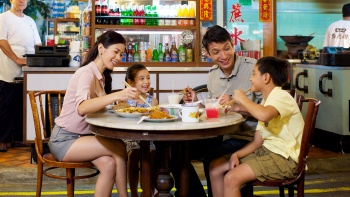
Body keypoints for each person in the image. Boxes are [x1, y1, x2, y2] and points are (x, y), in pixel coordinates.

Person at [48, 31, 138, 197]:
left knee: (110, 164)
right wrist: (117, 95)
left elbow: (98, 108)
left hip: (82, 138)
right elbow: (82, 108)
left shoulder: (101, 76)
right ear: (101, 48)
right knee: (119, 146)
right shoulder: (86, 73)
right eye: (116, 52)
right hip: (64, 140)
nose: (118, 58)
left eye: (121, 54)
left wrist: (116, 104)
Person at [175, 25, 259, 197]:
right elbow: (214, 110)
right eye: (216, 52)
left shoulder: (253, 68)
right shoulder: (212, 74)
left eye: (226, 48)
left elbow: (266, 112)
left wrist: (237, 106)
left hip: (248, 136)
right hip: (221, 134)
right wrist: (196, 103)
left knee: (212, 157)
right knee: (176, 150)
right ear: (208, 54)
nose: (223, 55)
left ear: (233, 44)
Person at [209, 56, 303, 197]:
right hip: (267, 152)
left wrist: (244, 100)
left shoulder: (281, 96)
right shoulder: (266, 101)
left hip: (285, 159)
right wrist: (236, 154)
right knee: (215, 168)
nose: (250, 79)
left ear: (265, 78)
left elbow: (263, 115)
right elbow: (257, 141)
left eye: (254, 74)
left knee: (231, 177)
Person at [0, 0, 42, 152]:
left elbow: (38, 43)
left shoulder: (30, 20)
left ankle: (20, 137)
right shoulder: (3, 17)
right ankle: (2, 140)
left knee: (23, 104)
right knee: (7, 104)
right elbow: (2, 42)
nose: (21, 0)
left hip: (28, 65)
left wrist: (40, 59)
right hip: (10, 66)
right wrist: (17, 59)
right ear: (11, 0)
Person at [124, 63, 158, 197]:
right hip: (130, 135)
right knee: (134, 154)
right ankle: (133, 193)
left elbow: (154, 117)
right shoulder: (126, 100)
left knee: (152, 153)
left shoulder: (152, 100)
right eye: (142, 79)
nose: (147, 82)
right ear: (131, 83)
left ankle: (149, 190)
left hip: (148, 136)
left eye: (148, 78)